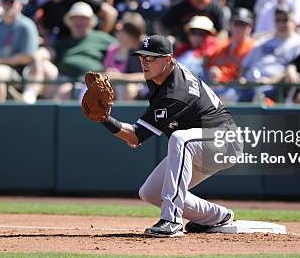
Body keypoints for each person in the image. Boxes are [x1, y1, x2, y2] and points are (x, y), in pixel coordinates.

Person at [91, 34, 242, 237]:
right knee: (150, 192)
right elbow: (136, 135)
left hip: (224, 142)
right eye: (142, 57)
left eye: (150, 58)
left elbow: (135, 137)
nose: (144, 62)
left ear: (168, 59)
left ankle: (172, 220)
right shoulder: (161, 76)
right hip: (202, 145)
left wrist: (105, 119)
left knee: (180, 139)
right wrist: (108, 122)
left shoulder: (176, 91)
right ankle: (216, 217)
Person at [239, 6, 300, 102]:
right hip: (248, 86)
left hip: (275, 89)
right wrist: (242, 79)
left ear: (294, 21)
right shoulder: (263, 41)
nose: (281, 24)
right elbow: (244, 66)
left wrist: (269, 81)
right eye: (278, 20)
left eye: (285, 20)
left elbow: (294, 71)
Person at [53, 2, 116, 98]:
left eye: (83, 19)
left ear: (91, 22)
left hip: (96, 81)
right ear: (70, 22)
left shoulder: (102, 38)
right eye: (75, 19)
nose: (79, 22)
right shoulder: (62, 43)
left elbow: (122, 48)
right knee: (63, 91)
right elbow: (49, 52)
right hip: (67, 81)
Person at [207, 8, 255, 85]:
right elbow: (211, 64)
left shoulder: (254, 48)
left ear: (251, 27)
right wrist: (212, 69)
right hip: (218, 86)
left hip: (239, 89)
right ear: (230, 25)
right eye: (237, 24)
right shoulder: (222, 45)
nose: (239, 29)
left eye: (243, 25)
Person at [174, 15, 220, 80]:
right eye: (193, 32)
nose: (196, 37)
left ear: (209, 36)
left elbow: (209, 59)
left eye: (201, 34)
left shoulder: (214, 50)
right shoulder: (182, 50)